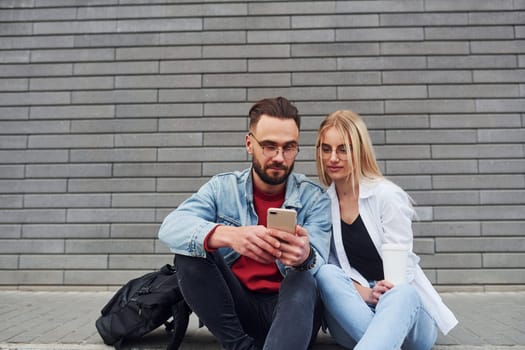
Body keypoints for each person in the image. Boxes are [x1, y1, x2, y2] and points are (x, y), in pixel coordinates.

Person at [158, 97, 332, 350]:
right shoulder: (222, 188)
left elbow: (323, 263)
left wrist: (305, 256)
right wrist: (228, 235)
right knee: (189, 256)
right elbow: (171, 227)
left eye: (289, 147)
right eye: (269, 146)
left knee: (303, 278)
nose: (280, 158)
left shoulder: (313, 197)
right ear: (249, 144)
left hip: (292, 313)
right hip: (239, 310)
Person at [314, 110, 458, 349]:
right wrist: (367, 294)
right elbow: (336, 268)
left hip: (401, 307)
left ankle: (382, 339)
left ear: (359, 150)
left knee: (403, 294)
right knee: (326, 273)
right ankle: (385, 340)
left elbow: (405, 268)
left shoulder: (386, 196)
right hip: (358, 307)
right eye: (326, 149)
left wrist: (384, 294)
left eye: (343, 149)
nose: (333, 158)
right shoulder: (322, 204)